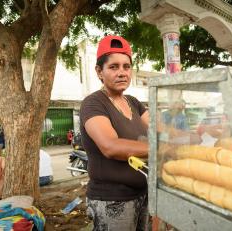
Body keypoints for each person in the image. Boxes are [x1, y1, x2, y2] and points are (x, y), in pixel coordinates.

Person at [80, 35, 149, 231]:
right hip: (112, 200)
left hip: (143, 194)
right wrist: (162, 148)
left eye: (126, 67)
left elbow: (158, 129)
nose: (122, 73)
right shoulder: (93, 103)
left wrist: (189, 136)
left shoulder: (134, 102)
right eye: (114, 67)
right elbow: (110, 146)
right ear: (99, 71)